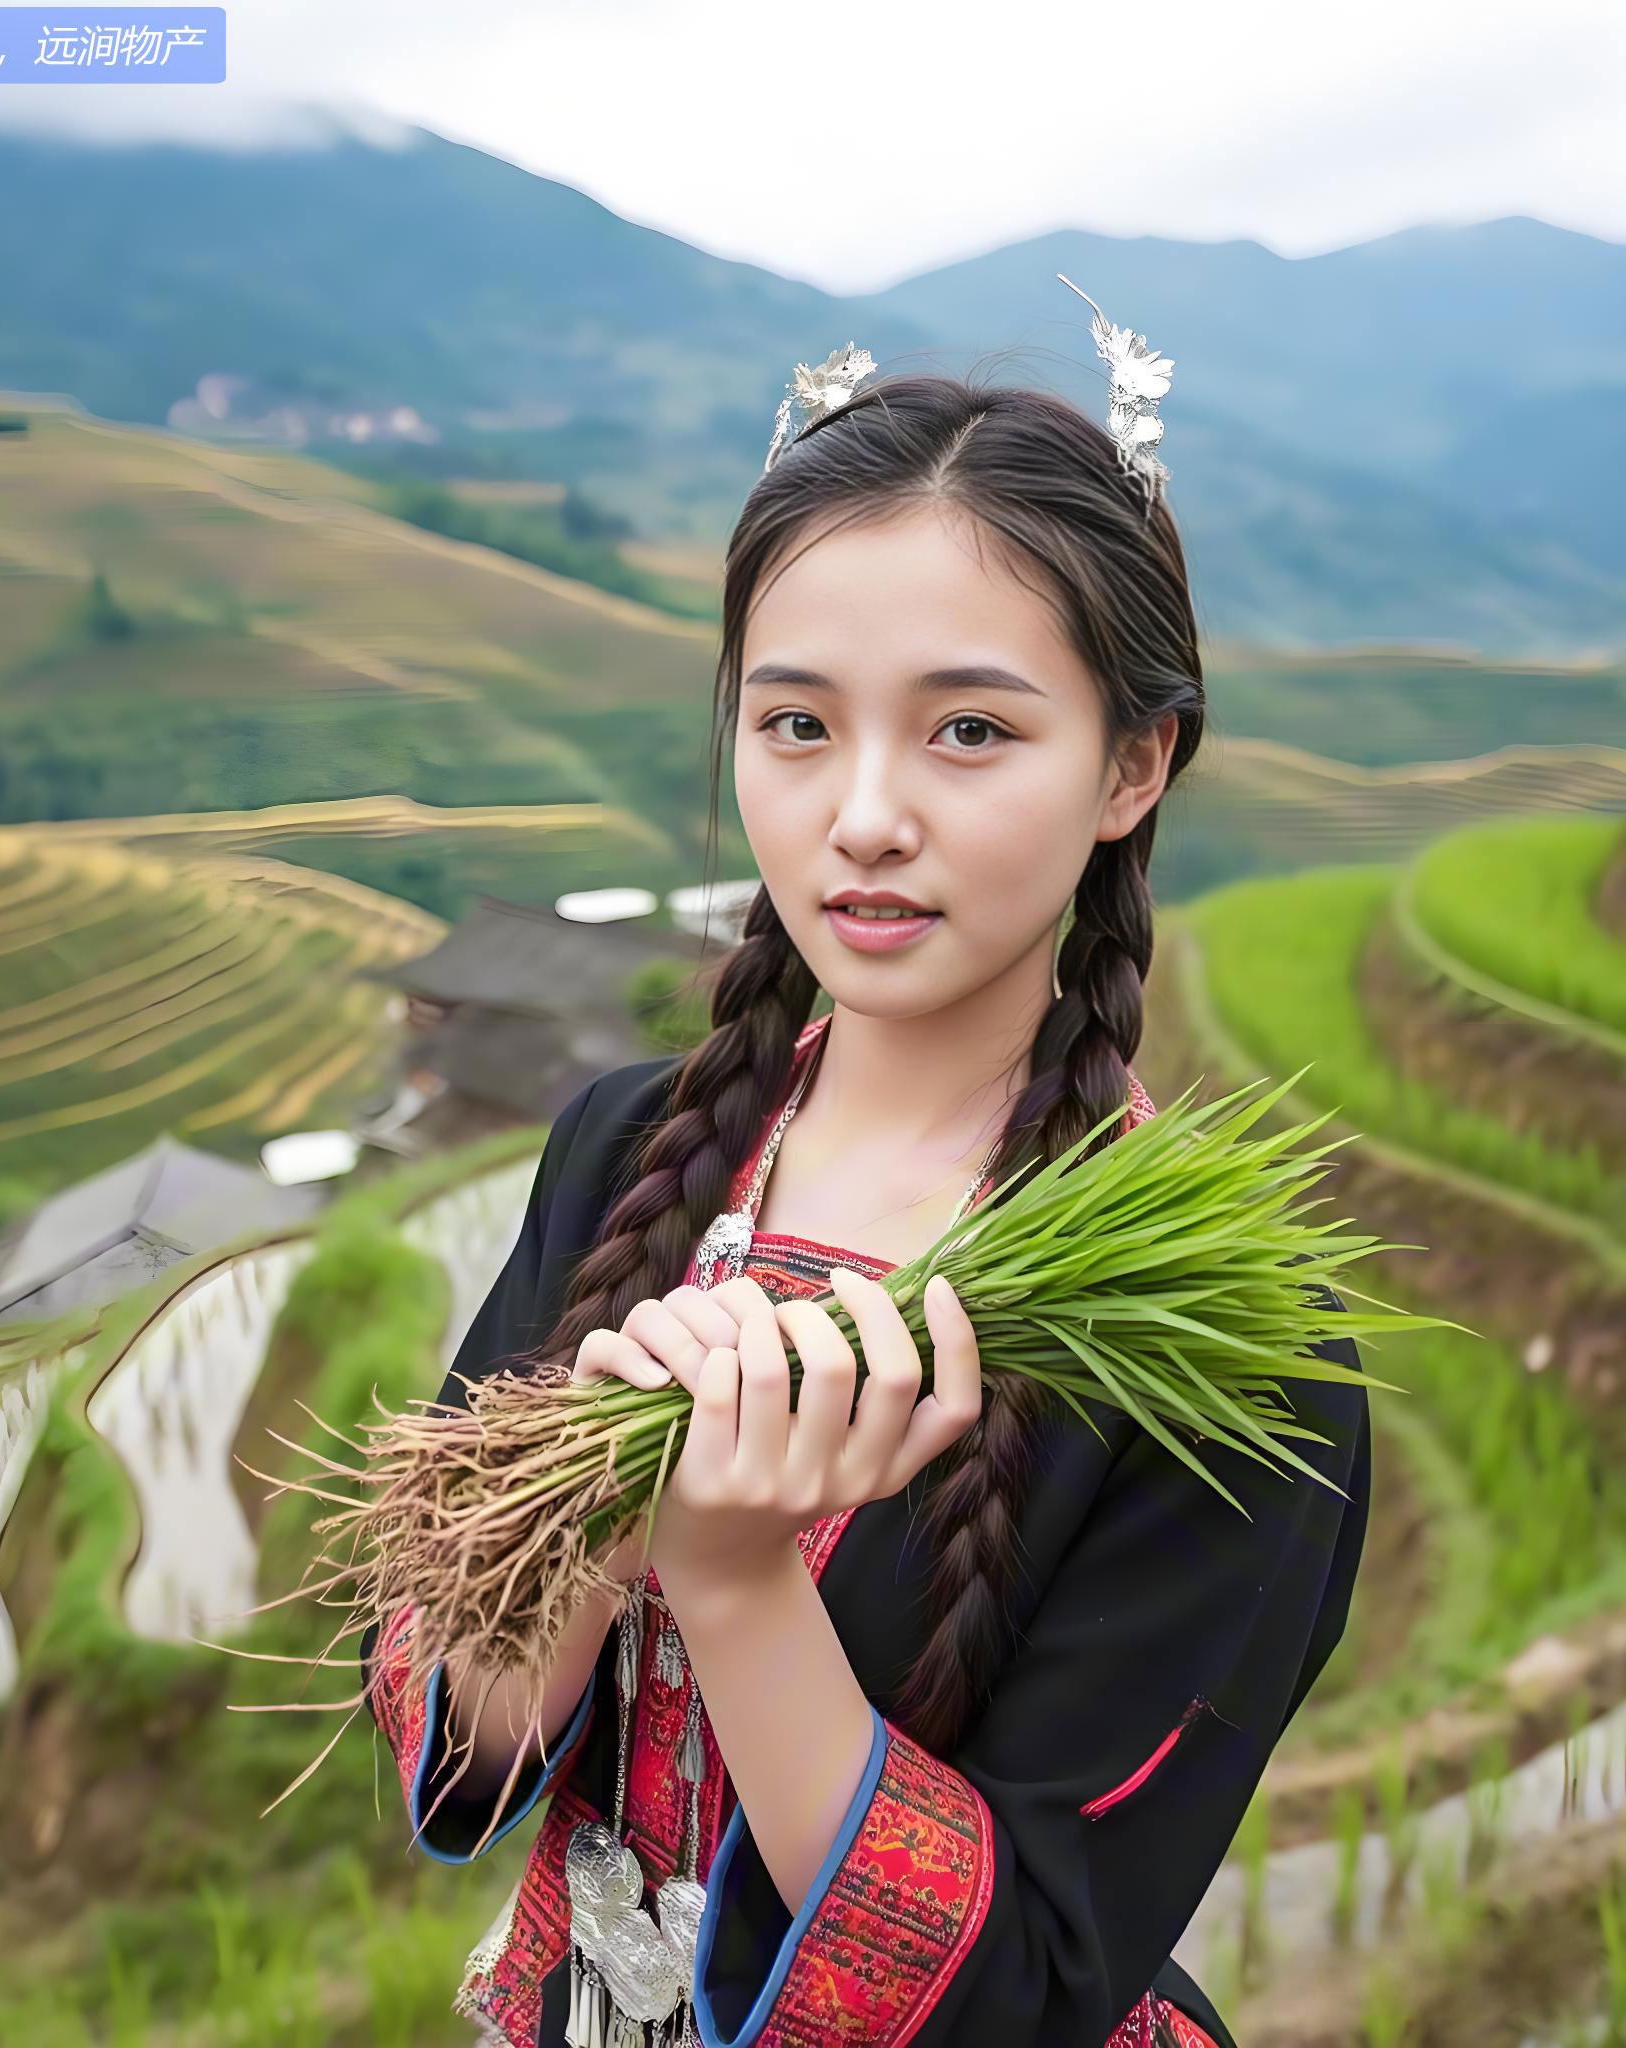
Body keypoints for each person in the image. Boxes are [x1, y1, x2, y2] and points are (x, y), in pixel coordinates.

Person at [360, 326, 1371, 2048]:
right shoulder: (625, 1153)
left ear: (1135, 765)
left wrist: (739, 1578)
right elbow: (461, 1720)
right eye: (797, 725)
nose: (864, 815)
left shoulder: (1235, 1345)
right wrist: (592, 1537)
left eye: (970, 729)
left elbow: (1037, 1984)